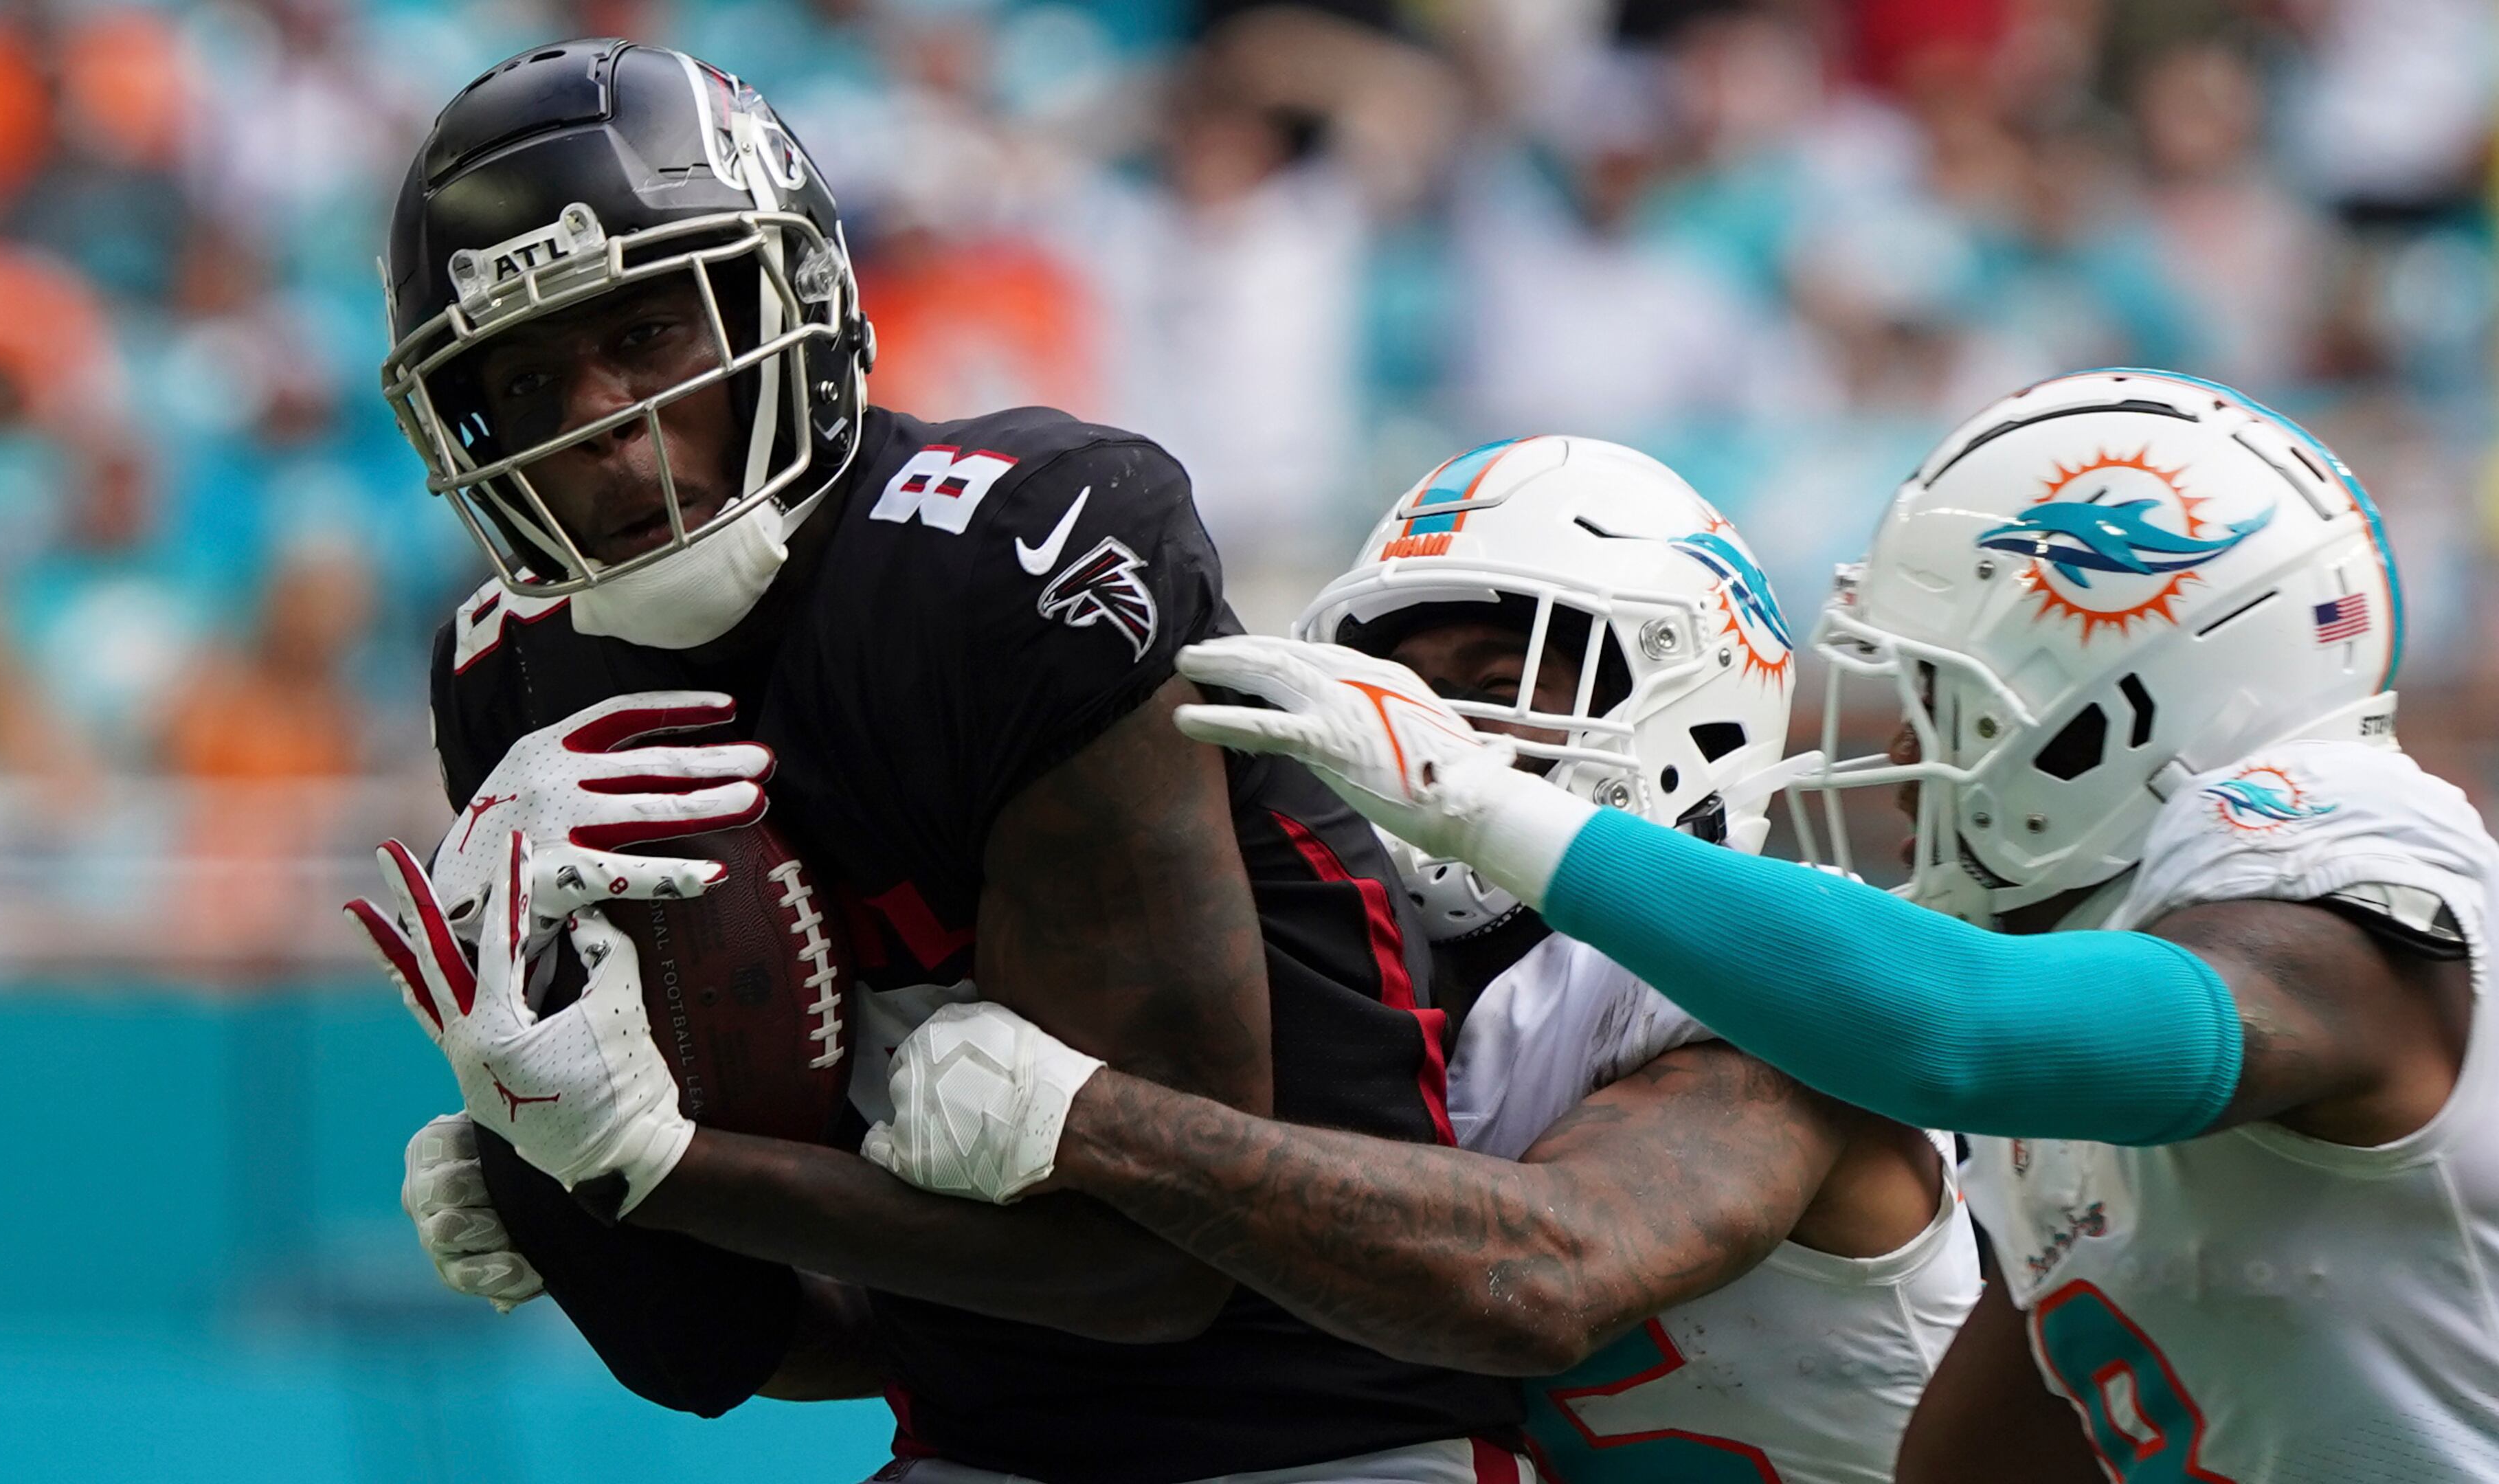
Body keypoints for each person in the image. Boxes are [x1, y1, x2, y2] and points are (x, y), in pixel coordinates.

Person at [341, 37, 1524, 1484]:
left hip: (1338, 1432)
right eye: (526, 385)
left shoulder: (1015, 555)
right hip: (966, 1440)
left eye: (647, 334)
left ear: (794, 300)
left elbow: (1150, 1274)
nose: (598, 423)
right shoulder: (515, 677)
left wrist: (665, 1169)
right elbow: (771, 1348)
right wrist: (578, 1199)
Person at [1158, 370, 2499, 1481]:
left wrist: (1481, 801)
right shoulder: (2073, 1112)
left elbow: (1961, 1026)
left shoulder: (2343, 853)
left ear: (2131, 694)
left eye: (1941, 700)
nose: (1901, 753)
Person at [862, 436, 1980, 1483]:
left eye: (1492, 685)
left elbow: (1548, 1274)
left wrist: (1089, 1121)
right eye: (1394, 686)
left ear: (1699, 715)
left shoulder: (1764, 969)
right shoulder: (1373, 981)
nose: (1423, 727)